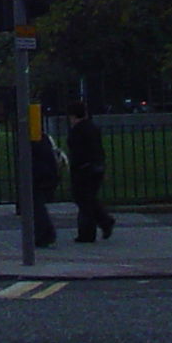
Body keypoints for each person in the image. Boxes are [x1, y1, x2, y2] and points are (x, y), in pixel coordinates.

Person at [68, 100, 116, 243]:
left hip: (84, 168)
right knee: (89, 199)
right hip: (96, 166)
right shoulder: (92, 127)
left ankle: (90, 231)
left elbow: (77, 152)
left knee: (83, 200)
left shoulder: (77, 130)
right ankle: (104, 221)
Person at [29, 132, 60, 249]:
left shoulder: (34, 138)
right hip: (44, 172)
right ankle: (45, 232)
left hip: (39, 173)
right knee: (37, 203)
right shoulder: (42, 137)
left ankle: (44, 233)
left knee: (36, 203)